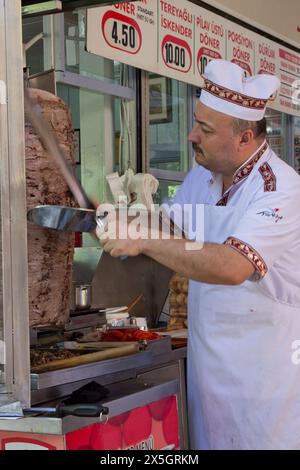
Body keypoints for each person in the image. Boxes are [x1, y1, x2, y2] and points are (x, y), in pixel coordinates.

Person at [97, 60, 300, 450]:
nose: (191, 135)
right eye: (195, 122)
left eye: (205, 129)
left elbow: (232, 266)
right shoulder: (201, 178)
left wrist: (142, 241)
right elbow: (175, 231)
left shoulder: (280, 191)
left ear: (244, 138)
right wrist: (124, 219)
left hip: (266, 400)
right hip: (211, 388)